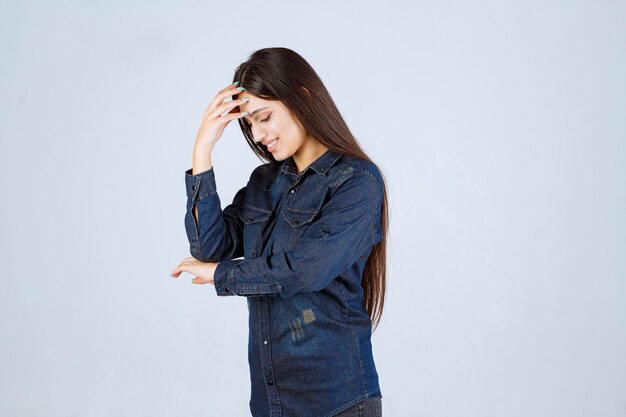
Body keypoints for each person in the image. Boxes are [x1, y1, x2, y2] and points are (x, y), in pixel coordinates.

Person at [171, 47, 389, 417]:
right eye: (249, 125)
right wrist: (202, 150)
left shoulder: (358, 183)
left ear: (302, 97)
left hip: (338, 401)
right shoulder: (264, 182)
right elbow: (209, 247)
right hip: (272, 404)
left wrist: (223, 276)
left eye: (264, 117)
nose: (258, 134)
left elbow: (305, 270)